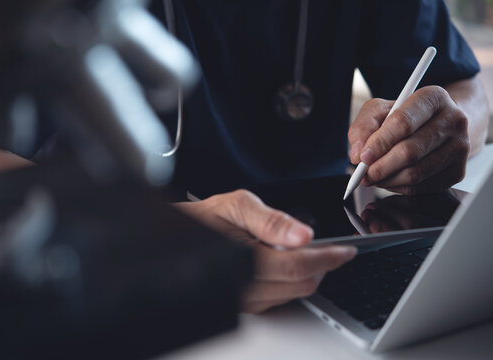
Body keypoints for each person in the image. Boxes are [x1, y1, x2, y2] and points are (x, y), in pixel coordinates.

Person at [151, 0, 490, 310]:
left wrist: (438, 131)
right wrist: (164, 242)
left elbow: (463, 89)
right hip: (147, 278)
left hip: (335, 252)